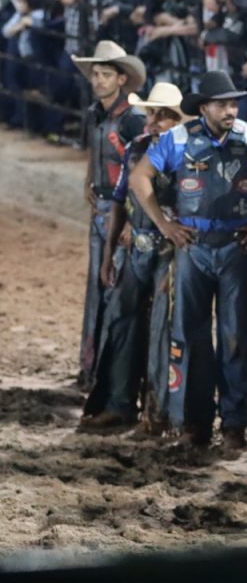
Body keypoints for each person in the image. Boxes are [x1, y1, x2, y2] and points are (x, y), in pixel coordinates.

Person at [129, 71, 247, 450]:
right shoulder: (178, 137)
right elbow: (139, 177)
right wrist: (164, 224)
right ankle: (195, 421)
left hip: (232, 242)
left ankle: (233, 424)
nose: (231, 110)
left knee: (235, 335)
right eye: (223, 104)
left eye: (234, 103)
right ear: (205, 107)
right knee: (191, 334)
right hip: (192, 244)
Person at [82, 83, 183, 434]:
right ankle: (121, 404)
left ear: (176, 119)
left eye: (161, 115)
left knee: (162, 330)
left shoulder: (187, 153)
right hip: (138, 247)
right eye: (151, 114)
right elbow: (120, 200)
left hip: (170, 253)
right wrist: (110, 252)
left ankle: (156, 414)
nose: (152, 121)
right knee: (123, 321)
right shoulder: (138, 148)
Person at [71, 40, 146, 394]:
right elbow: (95, 150)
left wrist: (131, 218)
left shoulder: (131, 119)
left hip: (116, 210)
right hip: (101, 206)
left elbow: (138, 169)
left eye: (105, 75)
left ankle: (101, 370)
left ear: (120, 79)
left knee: (111, 285)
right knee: (96, 285)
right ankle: (91, 367)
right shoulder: (99, 113)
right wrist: (90, 178)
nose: (98, 81)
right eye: (96, 75)